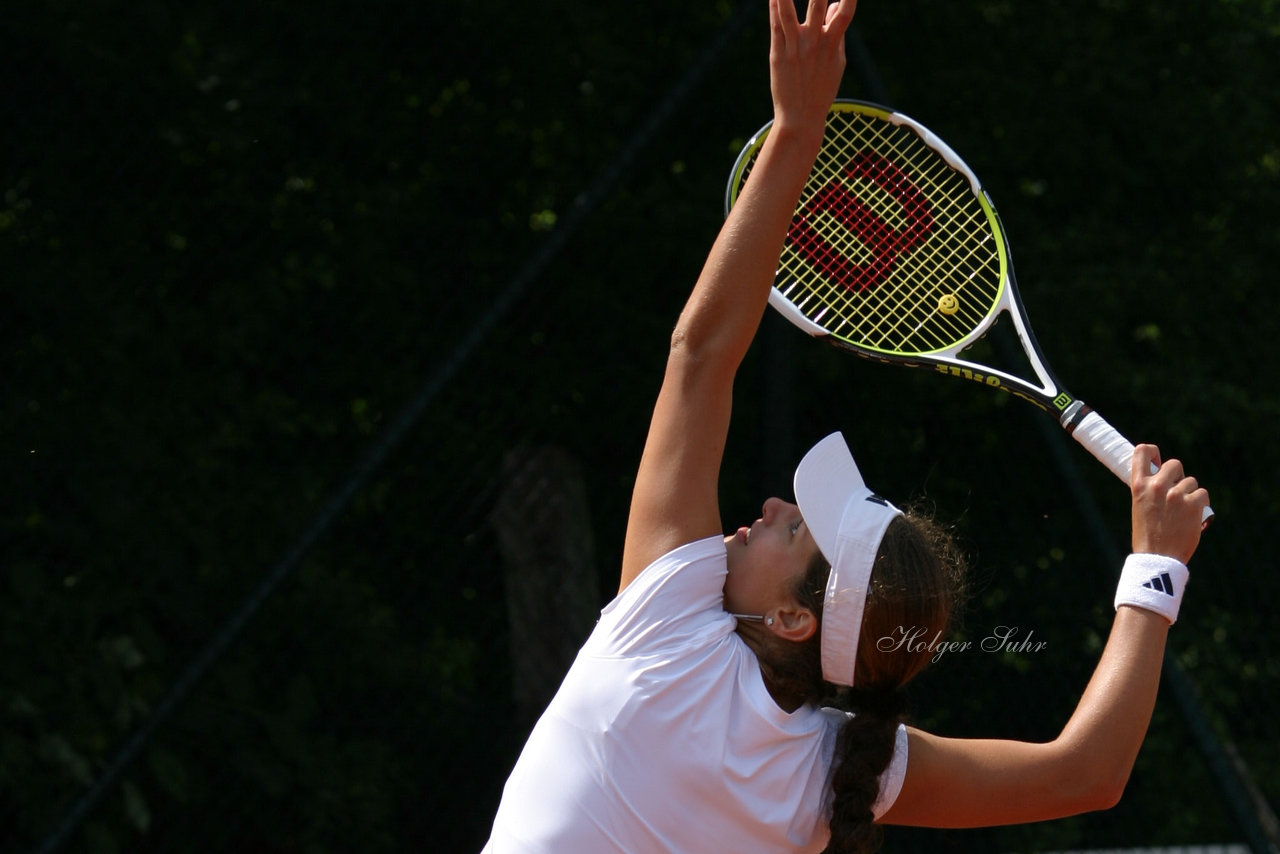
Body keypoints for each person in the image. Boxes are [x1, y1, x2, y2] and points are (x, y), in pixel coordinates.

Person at [481, 1, 1211, 851]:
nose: (764, 511)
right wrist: (1154, 569)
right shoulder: (837, 772)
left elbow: (700, 354)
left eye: (791, 531)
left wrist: (796, 132)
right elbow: (1085, 774)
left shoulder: (667, 641)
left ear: (794, 620)